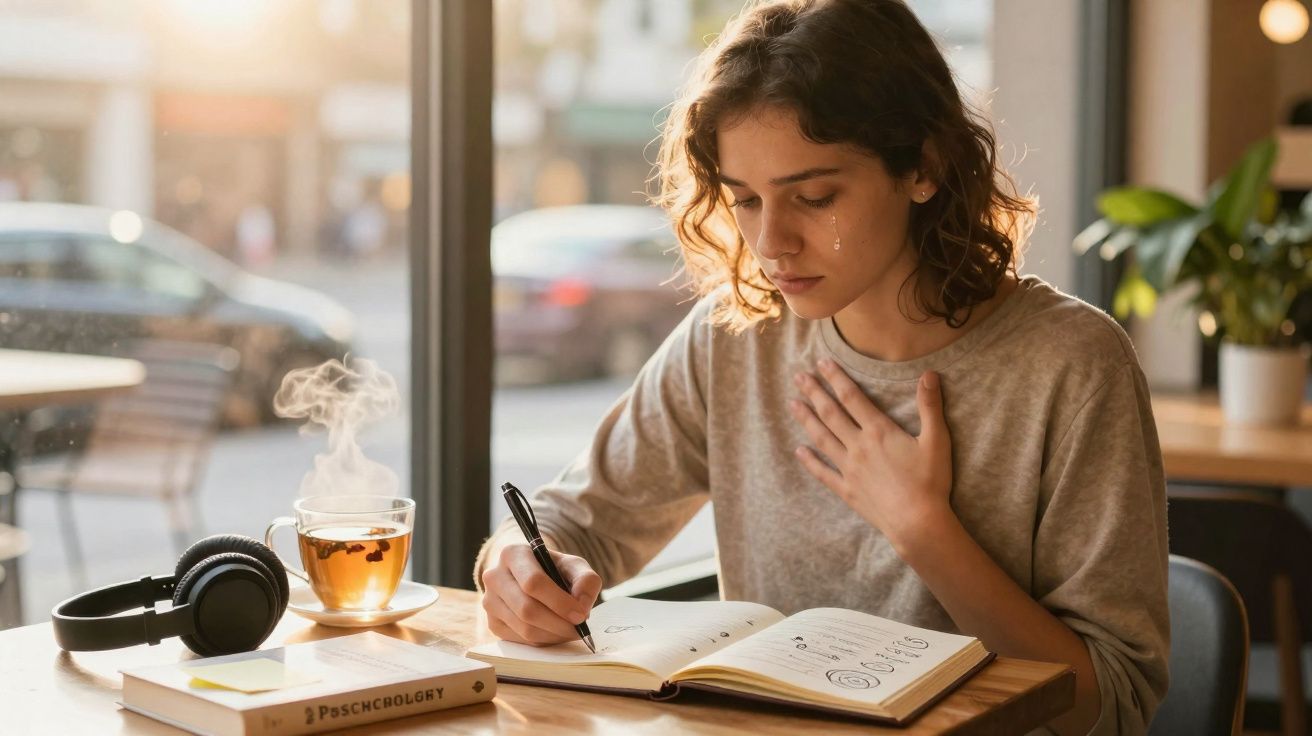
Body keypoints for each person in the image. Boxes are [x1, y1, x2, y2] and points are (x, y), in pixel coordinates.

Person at [475, 2, 1168, 733]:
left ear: (924, 167)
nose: (771, 243)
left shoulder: (1072, 364)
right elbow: (569, 520)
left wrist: (923, 530)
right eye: (744, 200)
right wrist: (517, 564)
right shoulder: (734, 337)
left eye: (814, 196)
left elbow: (1111, 704)